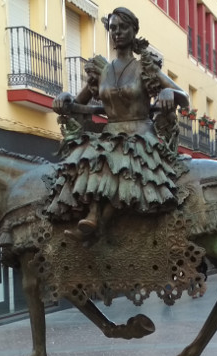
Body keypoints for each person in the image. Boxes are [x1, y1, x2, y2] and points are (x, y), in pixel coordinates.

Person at [48, 7, 190, 243]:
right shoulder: (102, 70)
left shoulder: (145, 67)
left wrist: (167, 91)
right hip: (110, 136)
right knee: (87, 158)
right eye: (113, 28)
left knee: (122, 164)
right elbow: (78, 103)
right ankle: (92, 217)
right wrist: (64, 98)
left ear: (134, 31)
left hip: (141, 136)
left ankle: (96, 220)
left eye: (123, 28)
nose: (117, 33)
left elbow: (183, 96)